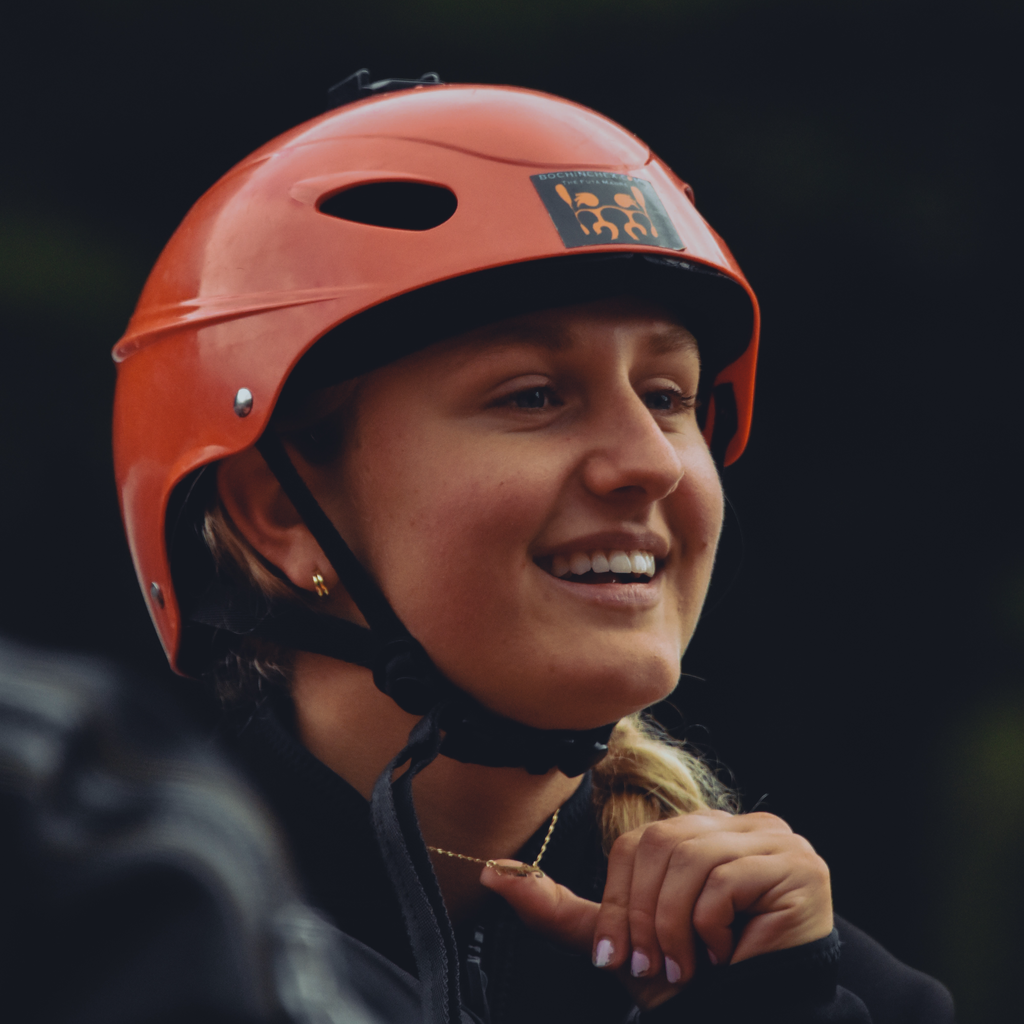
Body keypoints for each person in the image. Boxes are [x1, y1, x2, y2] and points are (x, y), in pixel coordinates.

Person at [112, 72, 954, 1022]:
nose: (651, 463)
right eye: (532, 396)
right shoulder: (91, 935)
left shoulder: (822, 984)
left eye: (669, 397)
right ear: (278, 510)